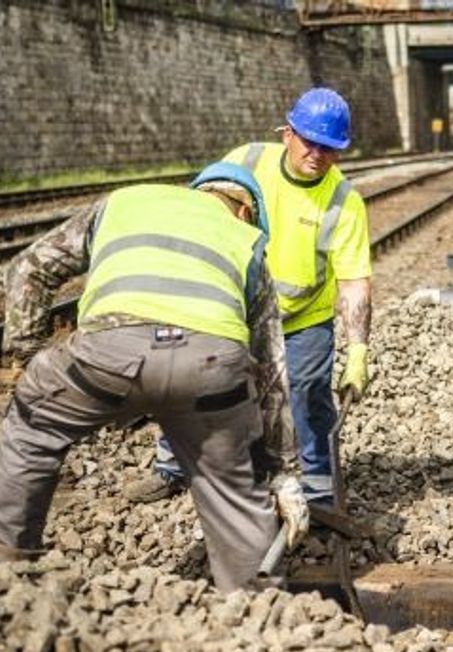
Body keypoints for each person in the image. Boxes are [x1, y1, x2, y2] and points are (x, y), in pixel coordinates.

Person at [0, 162, 308, 591]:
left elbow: (27, 268)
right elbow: (271, 370)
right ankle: (255, 604)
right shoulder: (247, 242)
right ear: (245, 212)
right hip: (208, 371)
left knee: (32, 431)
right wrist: (285, 473)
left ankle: (6, 573)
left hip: (106, 356)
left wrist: (28, 355)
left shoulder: (123, 202)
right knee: (230, 487)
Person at [125, 87, 373, 506]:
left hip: (301, 317)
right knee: (192, 374)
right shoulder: (246, 162)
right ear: (287, 133)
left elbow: (353, 281)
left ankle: (319, 483)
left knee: (308, 388)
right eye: (309, 142)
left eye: (330, 148)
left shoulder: (344, 202)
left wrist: (358, 352)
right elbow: (200, 212)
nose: (317, 154)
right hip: (233, 305)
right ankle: (172, 464)